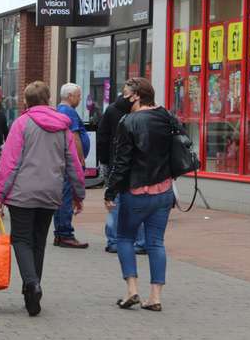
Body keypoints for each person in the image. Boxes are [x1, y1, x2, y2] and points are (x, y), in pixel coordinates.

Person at [0, 81, 85, 316]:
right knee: (39, 241)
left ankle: (32, 284)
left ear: (26, 101)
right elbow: (73, 163)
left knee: (22, 240)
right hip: (50, 193)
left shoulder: (21, 124)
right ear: (48, 99)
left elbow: (10, 163)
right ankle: (32, 292)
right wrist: (78, 193)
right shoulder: (63, 127)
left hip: (22, 193)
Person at [105, 77, 174, 312]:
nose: (122, 98)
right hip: (164, 190)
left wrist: (110, 190)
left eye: (125, 93)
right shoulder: (167, 116)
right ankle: (155, 296)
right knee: (156, 243)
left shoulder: (128, 121)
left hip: (136, 191)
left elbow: (122, 162)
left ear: (136, 95)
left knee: (125, 237)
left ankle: (132, 290)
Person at [98, 94, 146, 254]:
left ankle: (114, 241)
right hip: (139, 167)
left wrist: (104, 161)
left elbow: (103, 137)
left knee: (116, 203)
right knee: (138, 203)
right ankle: (141, 241)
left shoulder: (111, 110)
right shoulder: (145, 114)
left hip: (117, 163)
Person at [53, 83, 90, 249]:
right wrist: (80, 158)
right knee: (65, 197)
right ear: (70, 96)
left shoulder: (59, 110)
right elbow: (74, 137)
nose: (80, 98)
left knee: (63, 196)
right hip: (69, 163)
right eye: (78, 95)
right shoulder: (69, 111)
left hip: (63, 161)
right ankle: (65, 234)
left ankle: (60, 234)